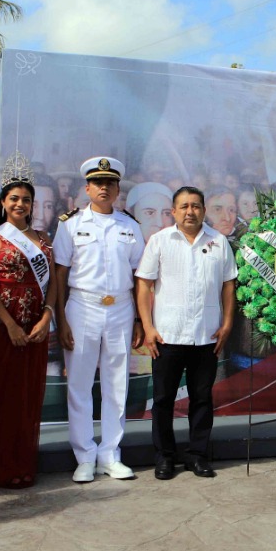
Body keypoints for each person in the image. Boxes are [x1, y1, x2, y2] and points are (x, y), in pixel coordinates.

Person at [54, 157, 146, 483]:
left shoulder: (130, 226)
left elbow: (139, 274)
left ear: (118, 188)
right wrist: (60, 320)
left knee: (116, 384)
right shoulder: (70, 224)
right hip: (82, 306)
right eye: (98, 183)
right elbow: (60, 273)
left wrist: (137, 320)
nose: (104, 188)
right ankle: (84, 456)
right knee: (79, 384)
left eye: (110, 183)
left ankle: (110, 455)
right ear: (87, 188)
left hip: (121, 307)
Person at [136, 186, 238, 479]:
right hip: (167, 336)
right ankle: (165, 457)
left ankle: (198, 455)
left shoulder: (219, 242)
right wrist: (148, 327)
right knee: (163, 400)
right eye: (184, 206)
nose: (190, 211)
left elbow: (228, 285)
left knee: (202, 399)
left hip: (206, 336)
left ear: (204, 210)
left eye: (195, 206)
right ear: (174, 211)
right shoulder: (160, 241)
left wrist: (228, 323)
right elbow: (144, 284)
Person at [0, 178, 57, 488]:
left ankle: (21, 461)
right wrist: (10, 324)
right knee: (1, 393)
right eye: (14, 198)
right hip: (2, 326)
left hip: (35, 326)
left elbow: (53, 284)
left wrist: (47, 317)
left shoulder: (43, 239)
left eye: (26, 199)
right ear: (3, 202)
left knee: (26, 396)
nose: (20, 204)